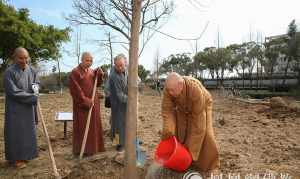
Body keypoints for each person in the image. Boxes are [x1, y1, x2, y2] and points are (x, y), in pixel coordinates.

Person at [161, 72, 220, 175]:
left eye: (172, 90)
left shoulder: (195, 89)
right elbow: (167, 111)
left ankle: (212, 165)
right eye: (168, 90)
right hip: (183, 108)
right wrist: (168, 131)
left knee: (206, 134)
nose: (170, 93)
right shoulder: (169, 89)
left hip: (202, 106)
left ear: (181, 85)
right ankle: (184, 157)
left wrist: (190, 152)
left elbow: (198, 124)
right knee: (180, 131)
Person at [3, 47, 39, 169]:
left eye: (25, 58)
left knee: (28, 132)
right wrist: (32, 97)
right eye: (20, 58)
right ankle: (15, 158)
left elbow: (36, 83)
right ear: (15, 58)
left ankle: (26, 155)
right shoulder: (9, 72)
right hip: (15, 108)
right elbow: (13, 91)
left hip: (28, 108)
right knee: (15, 133)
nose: (24, 60)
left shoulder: (32, 70)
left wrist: (36, 89)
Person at [69, 52, 105, 156]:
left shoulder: (91, 71)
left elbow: (97, 83)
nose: (89, 63)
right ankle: (84, 150)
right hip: (82, 106)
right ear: (82, 59)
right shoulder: (75, 72)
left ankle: (94, 148)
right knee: (83, 127)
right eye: (87, 60)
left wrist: (100, 75)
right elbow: (75, 90)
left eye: (91, 61)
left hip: (94, 104)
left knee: (93, 126)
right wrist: (86, 101)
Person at [108, 54, 128, 152]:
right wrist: (131, 100)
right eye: (117, 66)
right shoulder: (114, 76)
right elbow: (119, 94)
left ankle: (126, 141)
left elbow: (136, 80)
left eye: (122, 65)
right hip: (117, 103)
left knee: (124, 123)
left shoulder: (126, 71)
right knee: (117, 124)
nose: (120, 68)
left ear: (125, 64)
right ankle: (118, 144)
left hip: (125, 103)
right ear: (114, 65)